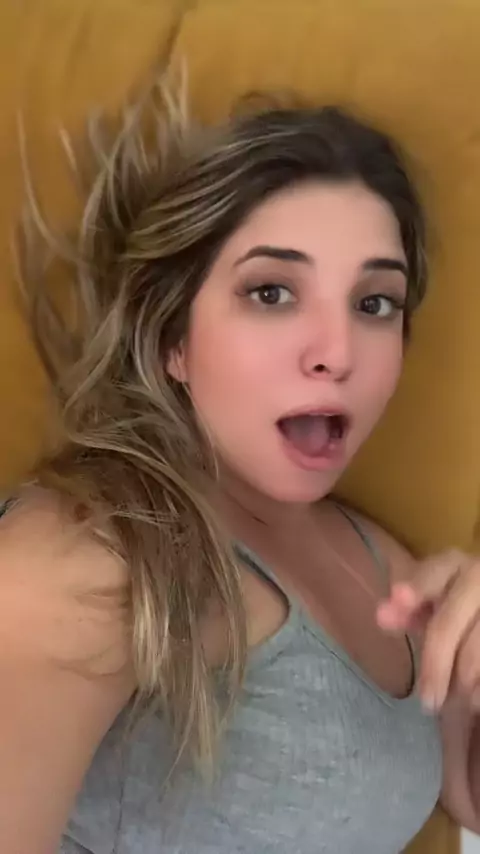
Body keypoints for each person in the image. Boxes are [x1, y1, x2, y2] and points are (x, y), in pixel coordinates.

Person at [3, 83, 480, 854]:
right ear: (174, 340)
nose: (336, 352)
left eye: (375, 304)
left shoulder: (385, 565)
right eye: (272, 292)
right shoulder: (87, 559)